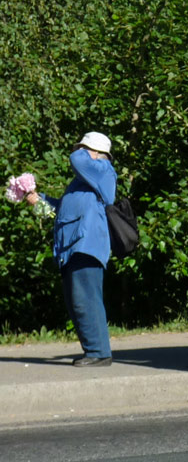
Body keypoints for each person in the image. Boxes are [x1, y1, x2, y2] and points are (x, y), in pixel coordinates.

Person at [24, 132, 118, 367]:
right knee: (76, 300)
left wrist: (85, 151)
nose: (78, 152)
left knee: (85, 298)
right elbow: (60, 213)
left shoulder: (103, 170)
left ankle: (99, 352)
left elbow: (77, 159)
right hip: (71, 248)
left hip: (87, 245)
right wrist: (38, 201)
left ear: (96, 153)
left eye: (83, 148)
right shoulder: (80, 183)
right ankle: (94, 351)